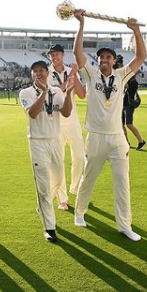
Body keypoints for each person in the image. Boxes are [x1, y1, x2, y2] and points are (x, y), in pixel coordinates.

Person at [72, 9, 146, 241]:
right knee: (88, 178)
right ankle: (79, 212)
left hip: (117, 138)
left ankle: (125, 225)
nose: (103, 60)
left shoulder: (122, 75)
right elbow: (77, 52)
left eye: (108, 58)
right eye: (101, 57)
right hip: (95, 136)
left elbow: (141, 57)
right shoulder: (91, 74)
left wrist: (136, 31)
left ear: (114, 61)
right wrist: (81, 24)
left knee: (122, 183)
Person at [20, 60, 75, 242]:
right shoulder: (26, 93)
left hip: (55, 140)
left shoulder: (57, 91)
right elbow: (33, 114)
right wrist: (43, 92)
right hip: (38, 142)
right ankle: (49, 228)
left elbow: (66, 113)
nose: (38, 73)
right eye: (35, 71)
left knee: (58, 180)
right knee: (43, 187)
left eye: (42, 70)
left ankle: (42, 207)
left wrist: (68, 94)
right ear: (32, 75)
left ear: (47, 73)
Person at [47, 44, 86, 211]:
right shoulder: (47, 72)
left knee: (79, 158)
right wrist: (71, 74)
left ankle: (75, 189)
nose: (54, 57)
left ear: (63, 55)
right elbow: (56, 92)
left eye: (57, 54)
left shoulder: (72, 70)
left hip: (73, 121)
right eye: (52, 55)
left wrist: (74, 75)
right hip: (56, 123)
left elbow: (82, 94)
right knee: (58, 162)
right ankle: (62, 198)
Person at [122, 74, 146, 150]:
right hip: (123, 105)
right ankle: (126, 142)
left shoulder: (134, 82)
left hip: (129, 106)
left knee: (129, 124)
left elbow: (126, 85)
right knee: (121, 125)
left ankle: (141, 141)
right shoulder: (130, 80)